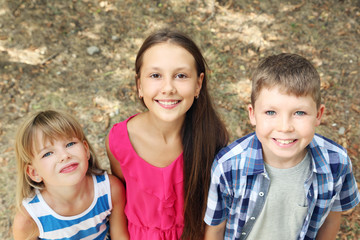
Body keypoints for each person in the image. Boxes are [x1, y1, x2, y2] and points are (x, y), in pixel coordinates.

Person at [204, 53, 360, 240]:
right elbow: (215, 229)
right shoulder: (228, 167)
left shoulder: (337, 163)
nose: (285, 127)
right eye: (271, 112)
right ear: (252, 115)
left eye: (299, 113)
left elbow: (331, 219)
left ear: (318, 115)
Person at [106, 29, 229, 240]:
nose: (168, 88)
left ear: (198, 84)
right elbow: (120, 202)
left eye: (181, 76)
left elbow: (217, 215)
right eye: (155, 75)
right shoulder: (120, 141)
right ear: (139, 85)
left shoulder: (212, 139)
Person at [12, 110, 129, 240]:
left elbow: (120, 236)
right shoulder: (29, 219)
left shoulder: (110, 189)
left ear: (86, 150)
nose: (64, 156)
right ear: (34, 173)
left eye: (70, 144)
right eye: (48, 153)